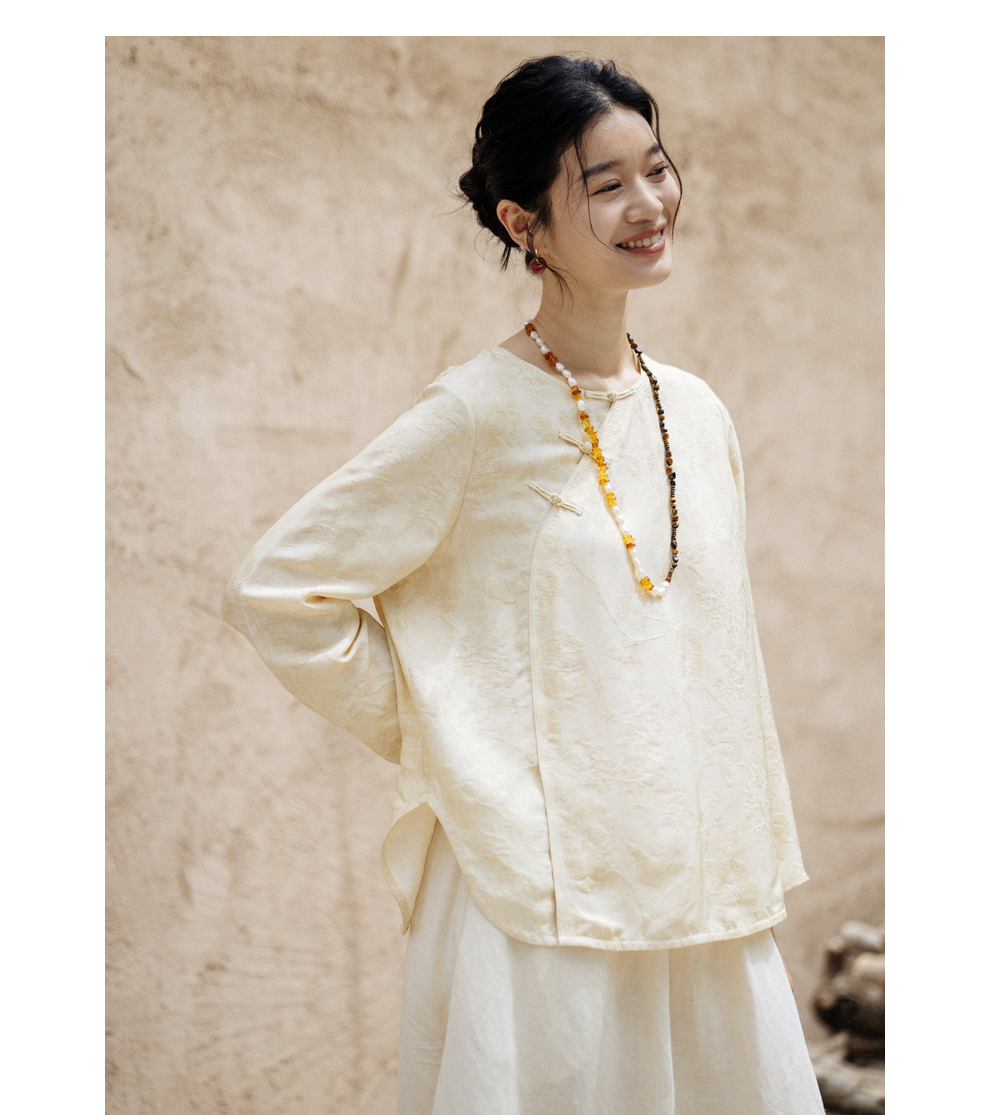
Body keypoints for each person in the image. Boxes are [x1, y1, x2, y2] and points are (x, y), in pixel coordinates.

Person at [222, 54, 825, 1115]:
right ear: (523, 223)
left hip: (703, 891)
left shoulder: (698, 413)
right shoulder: (474, 413)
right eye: (606, 184)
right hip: (541, 898)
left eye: (657, 168)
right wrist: (457, 737)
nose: (650, 204)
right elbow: (280, 589)